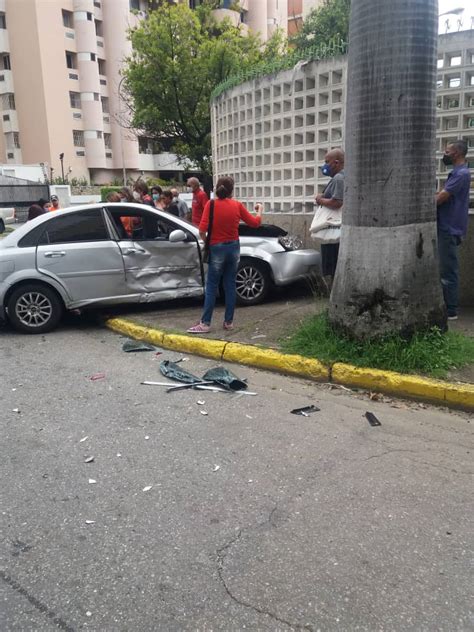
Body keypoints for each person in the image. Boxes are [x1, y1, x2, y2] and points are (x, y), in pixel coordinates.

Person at [187, 176, 263, 334]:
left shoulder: (211, 204)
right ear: (232, 190)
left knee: (212, 285)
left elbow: (201, 230)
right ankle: (228, 322)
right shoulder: (237, 205)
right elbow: (255, 223)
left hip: (217, 247)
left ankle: (205, 323)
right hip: (234, 247)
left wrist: (208, 242)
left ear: (217, 188)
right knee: (230, 284)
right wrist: (260, 210)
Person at [436, 140, 471, 320]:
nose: (444, 154)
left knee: (449, 269)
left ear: (456, 153)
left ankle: (451, 311)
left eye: (447, 151)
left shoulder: (462, 174)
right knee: (445, 267)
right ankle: (447, 306)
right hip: (447, 226)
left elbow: (442, 197)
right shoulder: (456, 173)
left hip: (449, 228)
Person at [314, 148, 345, 291]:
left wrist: (320, 200)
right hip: (335, 227)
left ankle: (333, 297)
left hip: (333, 228)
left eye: (327, 162)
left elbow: (337, 202)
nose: (324, 165)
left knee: (333, 267)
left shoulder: (339, 178)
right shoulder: (340, 177)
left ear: (336, 163)